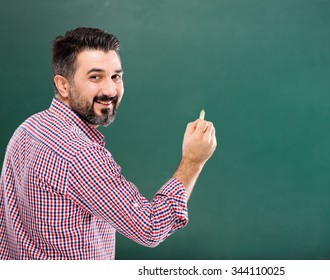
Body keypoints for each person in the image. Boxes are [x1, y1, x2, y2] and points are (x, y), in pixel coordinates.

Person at [0, 27, 217, 259]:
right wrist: (193, 161)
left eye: (116, 76)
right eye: (95, 77)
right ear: (63, 85)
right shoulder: (80, 155)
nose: (110, 90)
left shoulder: (28, 129)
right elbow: (150, 228)